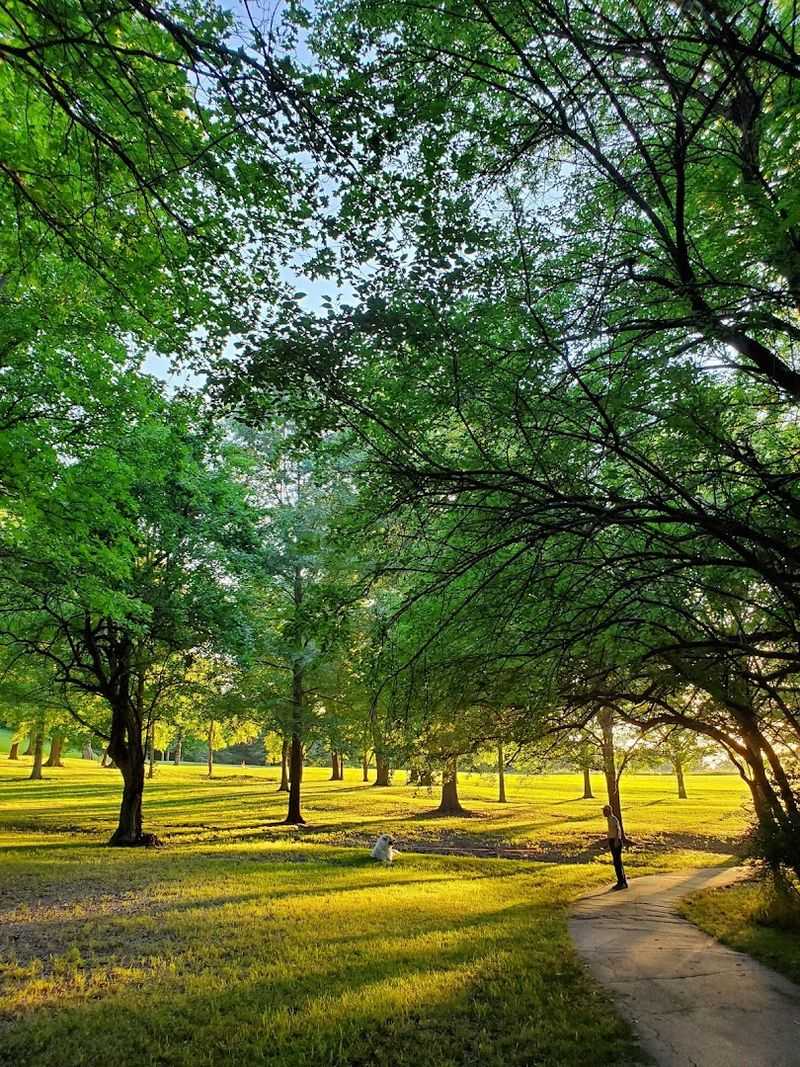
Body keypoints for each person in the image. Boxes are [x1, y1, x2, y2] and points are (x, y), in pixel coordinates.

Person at [602, 804, 628, 889]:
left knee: (617, 863)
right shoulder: (609, 819)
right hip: (612, 840)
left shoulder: (613, 819)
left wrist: (616, 841)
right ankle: (622, 881)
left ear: (608, 811)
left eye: (604, 811)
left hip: (616, 841)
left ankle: (621, 882)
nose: (603, 813)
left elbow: (618, 829)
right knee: (617, 862)